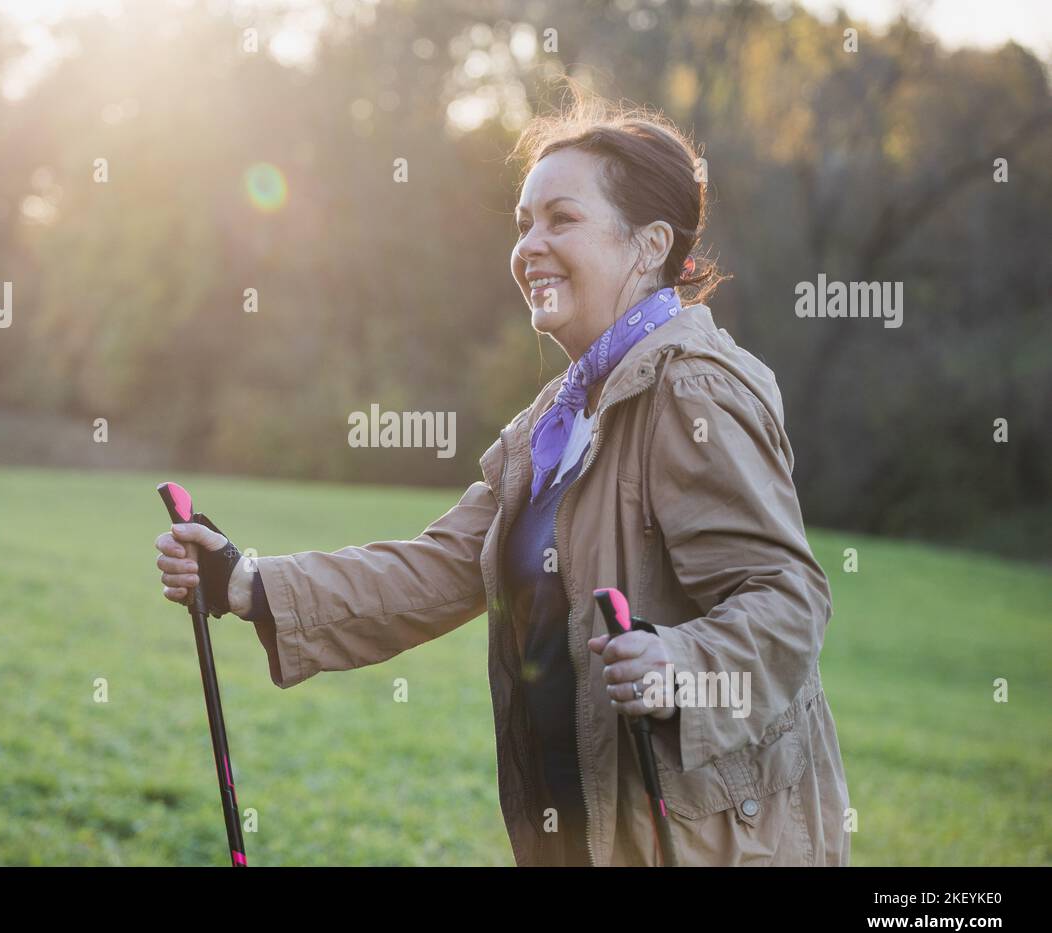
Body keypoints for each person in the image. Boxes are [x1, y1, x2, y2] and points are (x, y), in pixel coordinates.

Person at [155, 86, 851, 867]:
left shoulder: (690, 389)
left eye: (562, 219)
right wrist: (246, 582)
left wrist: (681, 666)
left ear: (650, 244)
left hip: (705, 841)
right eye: (524, 224)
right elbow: (447, 564)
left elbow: (788, 602)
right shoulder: (557, 418)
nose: (529, 247)